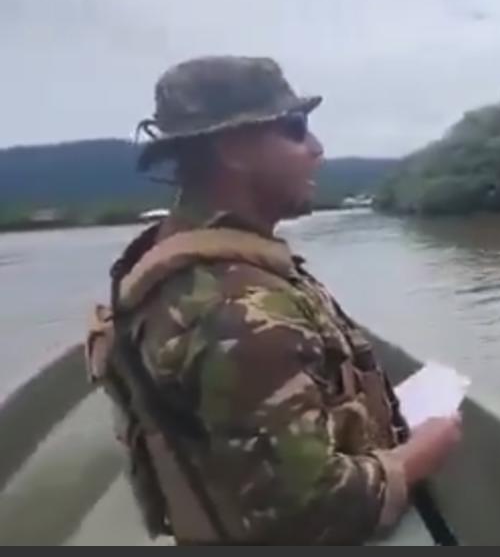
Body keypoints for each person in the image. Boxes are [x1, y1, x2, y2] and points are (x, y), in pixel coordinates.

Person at [84, 56, 461, 545]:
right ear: (234, 147)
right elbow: (314, 515)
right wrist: (427, 448)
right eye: (296, 129)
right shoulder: (237, 307)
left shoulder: (173, 255)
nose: (317, 150)